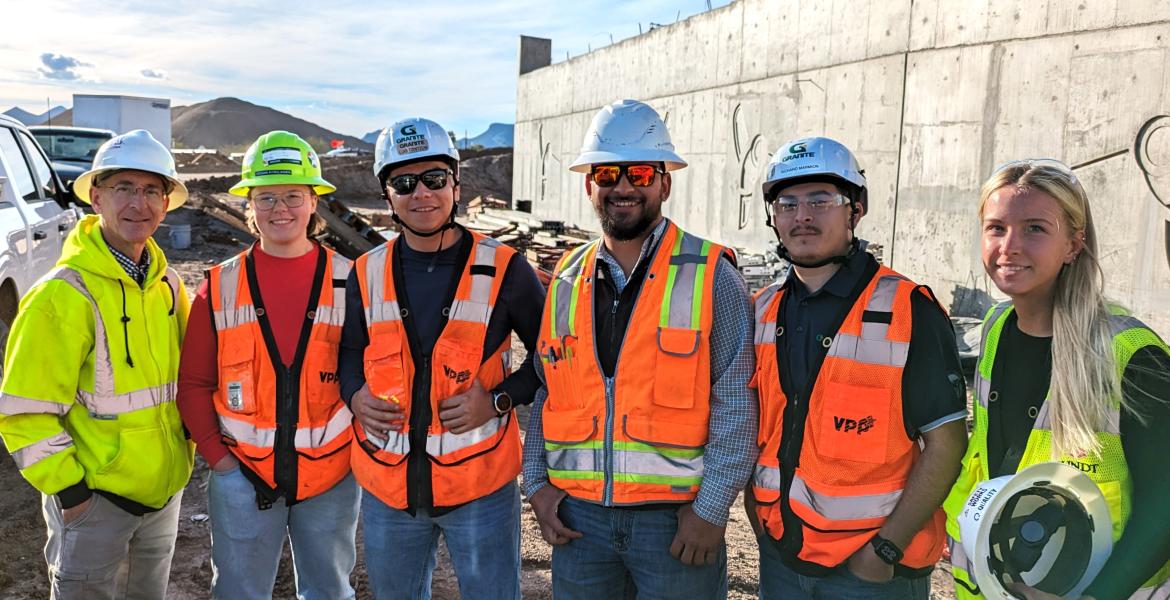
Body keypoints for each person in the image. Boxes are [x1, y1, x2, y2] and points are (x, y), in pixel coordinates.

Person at [522, 98, 758, 600]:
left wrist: (712, 510)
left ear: (664, 183)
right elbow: (551, 391)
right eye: (607, 173)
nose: (623, 186)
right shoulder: (566, 277)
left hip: (674, 526)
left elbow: (737, 401)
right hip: (579, 522)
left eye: (640, 173)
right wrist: (537, 485)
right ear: (590, 184)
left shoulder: (712, 274)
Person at [746, 136, 968, 599]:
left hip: (870, 573)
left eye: (821, 200)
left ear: (856, 209)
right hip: (783, 556)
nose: (802, 216)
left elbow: (945, 445)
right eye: (787, 203)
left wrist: (885, 550)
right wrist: (757, 513)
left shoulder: (909, 311)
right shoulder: (763, 309)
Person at [943, 159, 1170, 600]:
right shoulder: (994, 328)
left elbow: (1165, 501)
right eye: (996, 228)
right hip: (1007, 576)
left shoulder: (1133, 355)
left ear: (1073, 243)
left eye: (1034, 229)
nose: (1009, 246)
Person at [340, 117, 545, 600]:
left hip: (480, 488)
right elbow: (349, 353)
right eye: (403, 183)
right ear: (387, 195)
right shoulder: (366, 272)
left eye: (434, 179)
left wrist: (496, 402)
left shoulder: (505, 269)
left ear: (456, 184)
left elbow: (551, 360)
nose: (421, 194)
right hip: (389, 491)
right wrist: (354, 396)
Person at [0, 129, 193, 599]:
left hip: (163, 497)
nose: (138, 203)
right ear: (97, 198)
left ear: (166, 203)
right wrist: (71, 495)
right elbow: (24, 414)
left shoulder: (168, 286)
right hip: (94, 505)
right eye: (123, 188)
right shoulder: (61, 296)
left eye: (151, 190)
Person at [176, 131, 358, 599]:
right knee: (238, 591)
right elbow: (194, 384)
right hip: (241, 474)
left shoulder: (352, 282)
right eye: (266, 197)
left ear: (314, 202)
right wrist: (220, 463)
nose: (281, 209)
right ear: (249, 206)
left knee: (329, 592)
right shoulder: (217, 287)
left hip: (331, 478)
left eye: (294, 196)